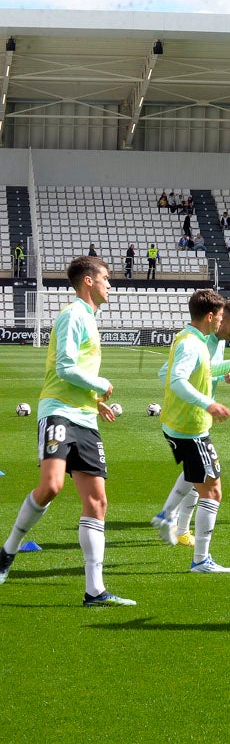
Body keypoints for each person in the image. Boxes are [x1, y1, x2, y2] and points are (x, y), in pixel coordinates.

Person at [0, 256, 134, 605]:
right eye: (105, 278)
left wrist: (95, 399)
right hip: (58, 412)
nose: (110, 284)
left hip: (85, 417)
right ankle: (8, 551)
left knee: (97, 501)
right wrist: (101, 383)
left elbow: (78, 372)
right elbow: (65, 367)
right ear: (88, 281)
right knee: (51, 486)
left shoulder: (89, 318)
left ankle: (95, 590)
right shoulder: (74, 315)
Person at [149, 290, 230, 573]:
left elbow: (202, 372)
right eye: (219, 316)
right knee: (212, 491)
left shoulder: (189, 339)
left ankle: (170, 517)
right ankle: (201, 559)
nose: (221, 321)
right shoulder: (193, 344)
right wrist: (210, 403)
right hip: (190, 426)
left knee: (200, 481)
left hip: (185, 424)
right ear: (210, 316)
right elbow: (178, 380)